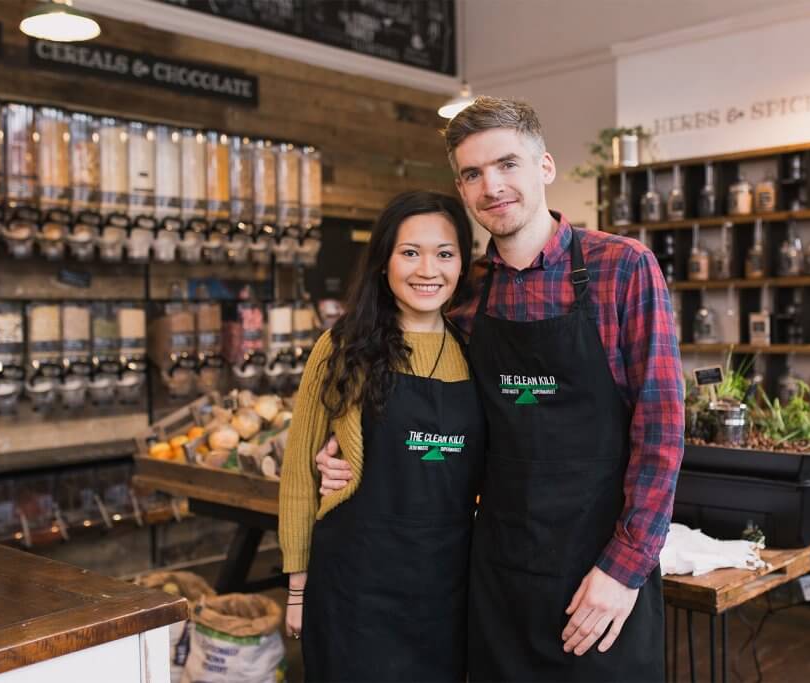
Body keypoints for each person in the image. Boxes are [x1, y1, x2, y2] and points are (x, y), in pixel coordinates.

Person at [316, 97, 684, 681]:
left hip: (601, 576)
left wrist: (625, 568)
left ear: (544, 167)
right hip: (497, 579)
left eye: (507, 164)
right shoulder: (462, 297)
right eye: (472, 173)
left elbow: (661, 433)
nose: (492, 185)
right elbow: (436, 422)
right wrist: (346, 454)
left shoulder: (623, 268)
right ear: (462, 189)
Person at [278, 190, 485, 681]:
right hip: (355, 586)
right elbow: (299, 475)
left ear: (462, 265)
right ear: (383, 261)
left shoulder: (478, 353)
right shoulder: (342, 347)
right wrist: (297, 588)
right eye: (410, 252)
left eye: (445, 253)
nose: (427, 270)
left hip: (446, 589)